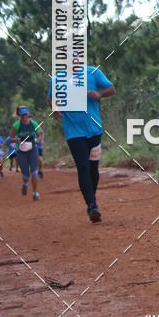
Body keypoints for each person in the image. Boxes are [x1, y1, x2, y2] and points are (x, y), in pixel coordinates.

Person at [47, 66, 115, 223]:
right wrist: (55, 108)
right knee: (83, 166)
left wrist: (98, 94)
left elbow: (111, 89)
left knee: (93, 168)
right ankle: (92, 205)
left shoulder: (93, 72)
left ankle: (91, 198)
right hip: (73, 132)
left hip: (94, 129)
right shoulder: (56, 79)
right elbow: (51, 98)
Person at [9, 108, 41, 200]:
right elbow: (11, 138)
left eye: (26, 114)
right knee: (26, 175)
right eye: (22, 115)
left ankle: (35, 193)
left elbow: (40, 134)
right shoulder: (16, 125)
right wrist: (16, 139)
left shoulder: (33, 124)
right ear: (20, 116)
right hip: (21, 152)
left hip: (32, 150)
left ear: (28, 114)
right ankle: (25, 184)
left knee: (34, 172)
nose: (24, 117)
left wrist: (39, 140)